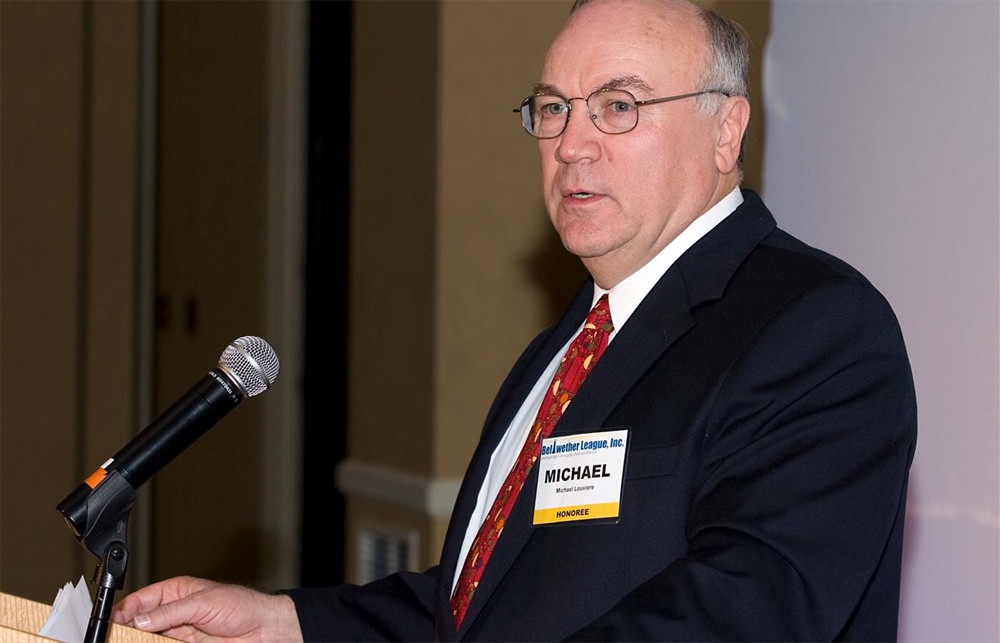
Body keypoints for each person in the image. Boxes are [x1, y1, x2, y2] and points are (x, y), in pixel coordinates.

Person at [111, 0, 917, 640]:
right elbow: (485, 608)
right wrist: (287, 623)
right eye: (553, 109)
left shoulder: (816, 328)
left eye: (619, 106)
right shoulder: (572, 342)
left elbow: (742, 614)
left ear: (726, 131)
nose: (572, 144)